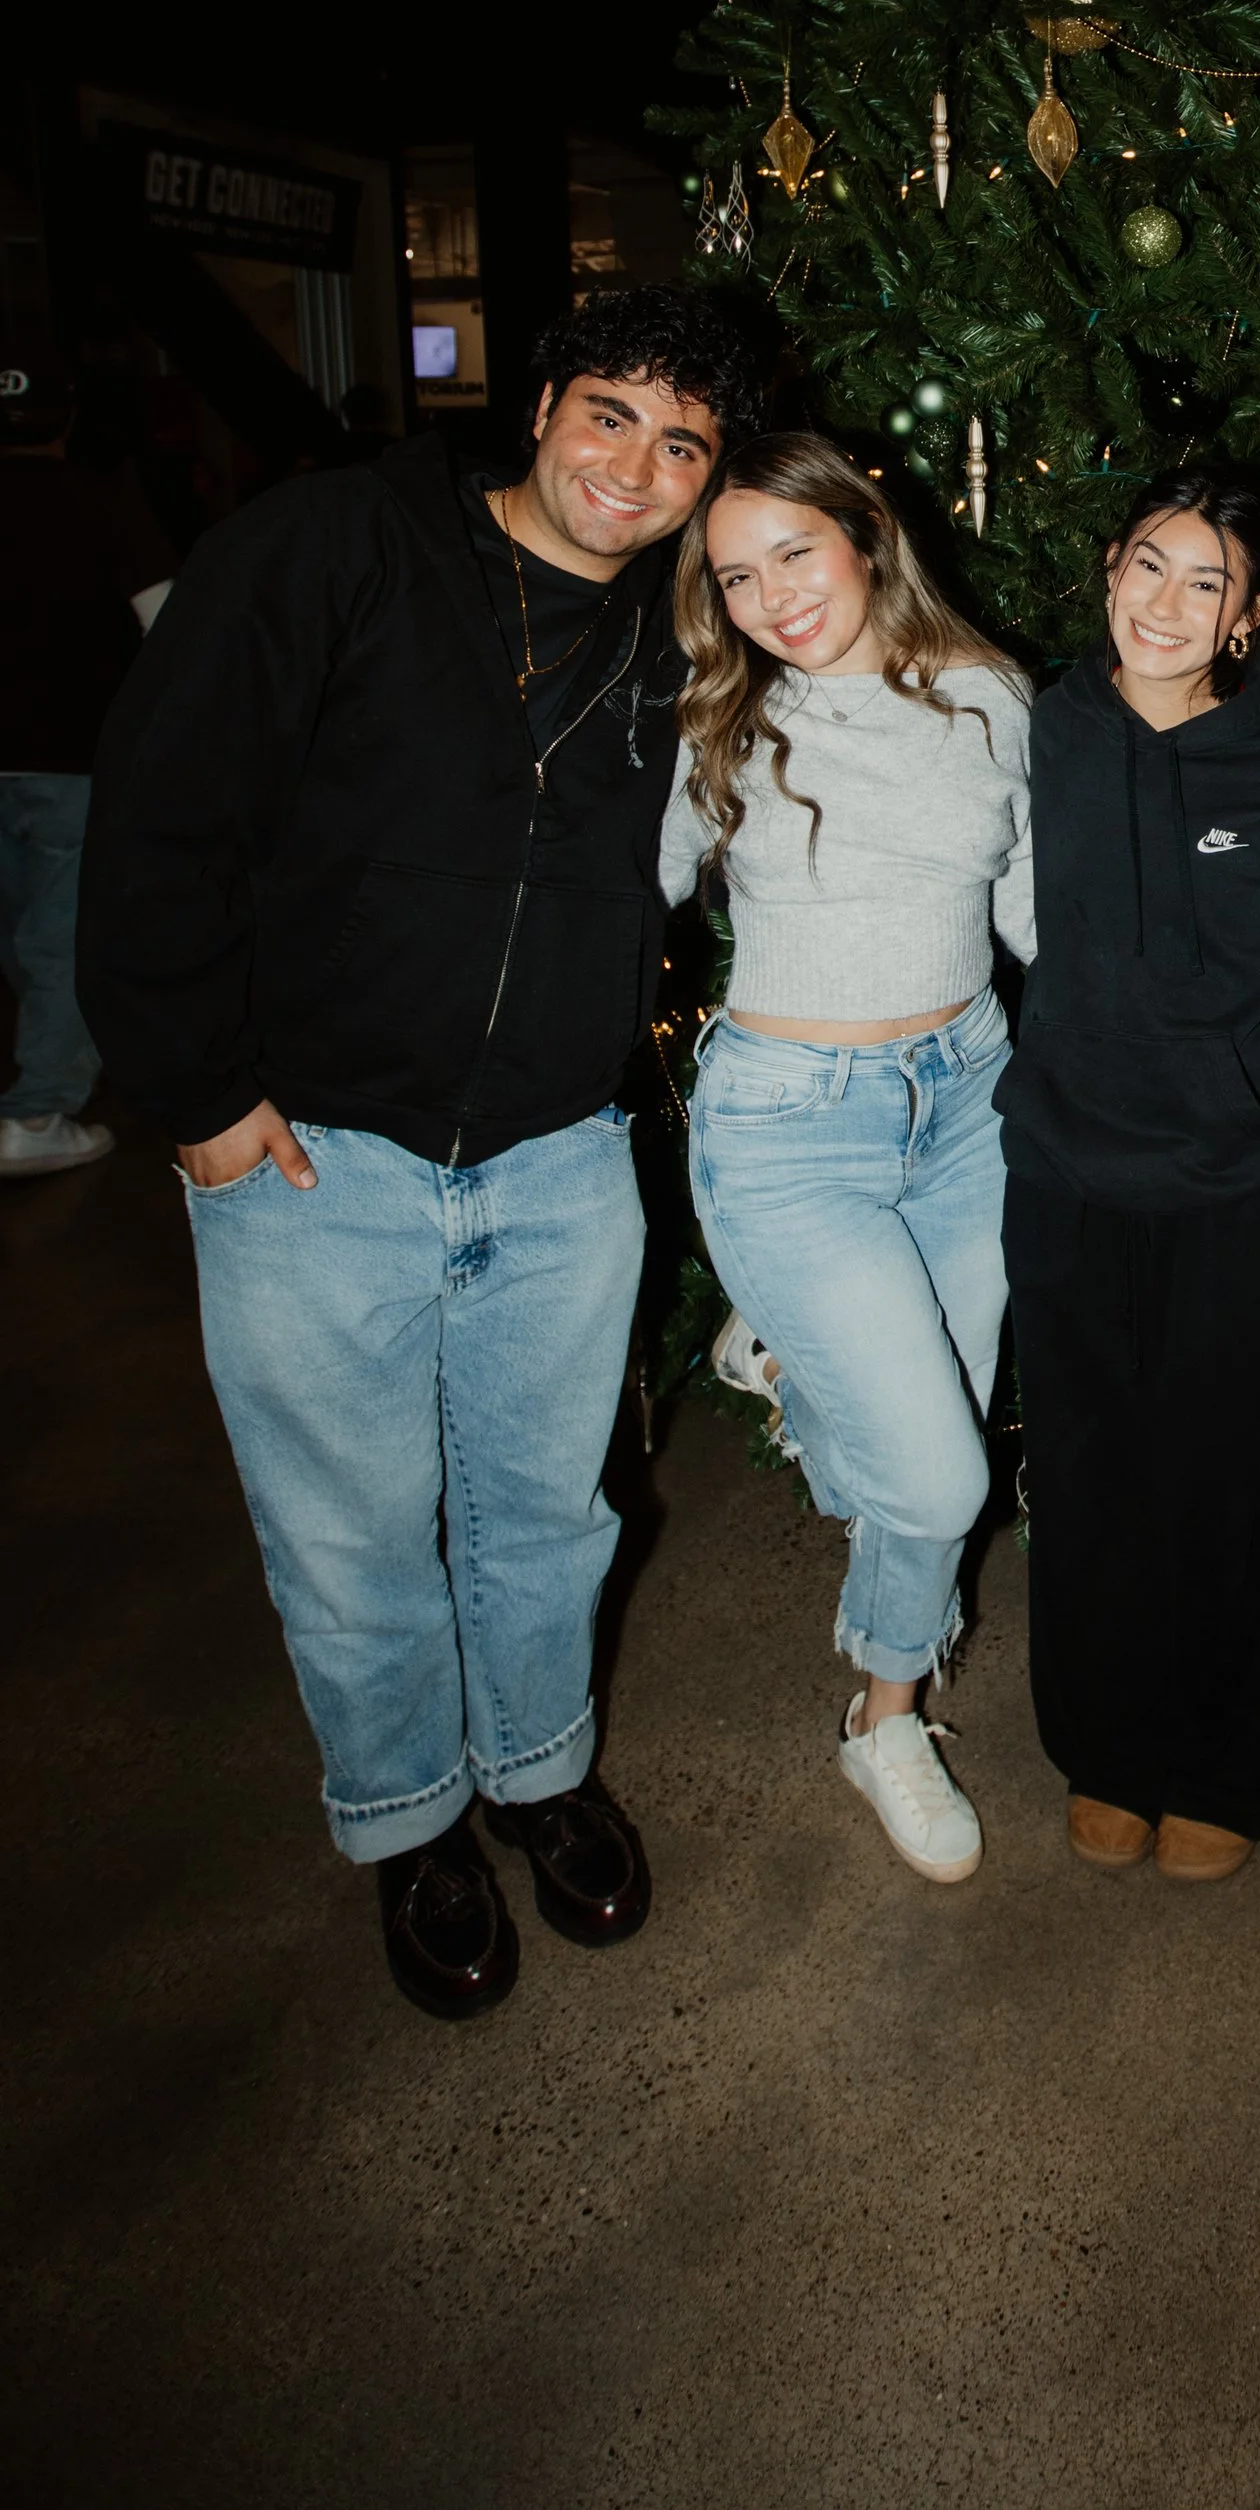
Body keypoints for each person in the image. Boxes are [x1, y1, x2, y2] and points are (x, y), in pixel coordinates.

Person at [77, 286, 769, 2019]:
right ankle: (411, 1823)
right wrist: (202, 1097)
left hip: (556, 1154)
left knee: (550, 1508)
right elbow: (162, 810)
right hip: (317, 1152)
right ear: (541, 400)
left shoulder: (685, 644)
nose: (636, 465)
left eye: (682, 442)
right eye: (610, 412)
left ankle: (539, 1773)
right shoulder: (336, 552)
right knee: (352, 1531)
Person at [660, 434, 1032, 1886]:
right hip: (789, 1125)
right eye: (734, 575)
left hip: (971, 1101)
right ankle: (799, 1366)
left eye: (792, 555)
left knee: (931, 1437)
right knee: (937, 1475)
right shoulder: (723, 724)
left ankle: (888, 1714)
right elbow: (597, 889)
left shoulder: (994, 697)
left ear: (866, 530)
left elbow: (1036, 917)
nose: (768, 599)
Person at [998, 468, 1260, 1884]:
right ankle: (1107, 1746)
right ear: (1107, 568)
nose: (1167, 604)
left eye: (1208, 581)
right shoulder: (1035, 725)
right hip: (1071, 1164)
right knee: (1086, 1473)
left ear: (1252, 612)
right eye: (1148, 564)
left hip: (1246, 1174)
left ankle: (1233, 1756)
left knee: (1242, 1475)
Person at [1, 334, 171, 1177]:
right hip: (72, 750)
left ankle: (36, 1083)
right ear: (65, 414)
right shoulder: (100, 502)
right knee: (60, 932)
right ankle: (36, 1111)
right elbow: (169, 625)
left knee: (18, 928)